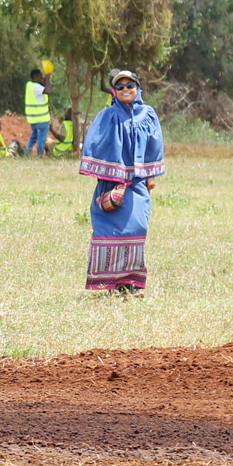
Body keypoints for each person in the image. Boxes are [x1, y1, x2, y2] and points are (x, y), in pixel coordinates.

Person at [79, 70, 164, 296]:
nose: (125, 89)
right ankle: (112, 284)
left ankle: (131, 283)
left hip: (137, 183)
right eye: (120, 87)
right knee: (110, 231)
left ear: (138, 89)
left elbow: (155, 145)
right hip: (111, 184)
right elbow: (95, 143)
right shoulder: (107, 116)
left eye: (130, 85)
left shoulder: (148, 115)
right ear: (114, 91)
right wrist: (108, 173)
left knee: (137, 228)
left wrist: (151, 174)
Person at [24, 68, 51, 157]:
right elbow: (48, 91)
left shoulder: (29, 85)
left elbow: (42, 87)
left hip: (33, 120)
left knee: (33, 138)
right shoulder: (37, 87)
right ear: (35, 77)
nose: (42, 78)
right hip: (42, 119)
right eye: (40, 76)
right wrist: (47, 80)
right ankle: (40, 156)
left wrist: (44, 80)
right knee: (41, 140)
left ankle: (27, 153)